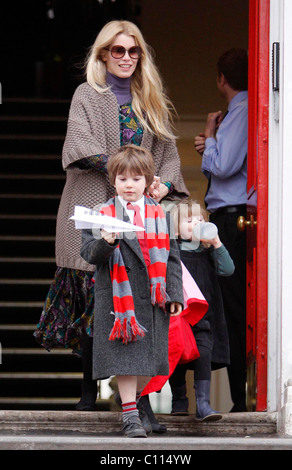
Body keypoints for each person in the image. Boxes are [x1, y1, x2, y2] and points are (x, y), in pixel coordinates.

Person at [33, 20, 189, 412]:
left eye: (133, 51)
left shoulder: (151, 97)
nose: (126, 58)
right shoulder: (87, 93)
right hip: (91, 205)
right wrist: (130, 170)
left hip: (140, 215)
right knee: (94, 295)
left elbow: (169, 156)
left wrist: (162, 185)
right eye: (118, 51)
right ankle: (88, 393)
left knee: (137, 298)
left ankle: (140, 397)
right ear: (103, 54)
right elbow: (79, 147)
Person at [80, 145, 184, 437]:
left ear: (147, 181)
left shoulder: (160, 214)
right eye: (123, 179)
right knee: (126, 360)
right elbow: (89, 253)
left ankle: (132, 401)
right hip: (118, 300)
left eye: (136, 179)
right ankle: (130, 417)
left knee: (148, 365)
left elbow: (173, 257)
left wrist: (175, 294)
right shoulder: (101, 214)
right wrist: (107, 242)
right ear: (113, 180)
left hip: (153, 299)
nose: (129, 185)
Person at [194, 48, 248, 412]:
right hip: (226, 214)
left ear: (221, 80)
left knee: (230, 306)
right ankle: (236, 398)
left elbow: (225, 166)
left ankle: (240, 400)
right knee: (225, 305)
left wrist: (211, 136)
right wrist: (210, 144)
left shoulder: (240, 111)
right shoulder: (238, 113)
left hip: (232, 217)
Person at [168, 199, 234, 421]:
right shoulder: (172, 251)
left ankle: (203, 403)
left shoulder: (207, 252)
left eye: (200, 219)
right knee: (176, 355)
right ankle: (179, 399)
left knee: (204, 352)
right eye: (189, 220)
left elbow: (228, 270)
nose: (196, 223)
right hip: (179, 316)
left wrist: (216, 243)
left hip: (204, 315)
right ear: (176, 229)